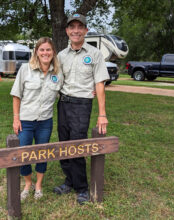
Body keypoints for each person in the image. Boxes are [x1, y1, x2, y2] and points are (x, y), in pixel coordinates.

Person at [53, 13, 109, 205]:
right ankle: (69, 181)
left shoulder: (95, 54)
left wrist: (102, 114)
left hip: (82, 105)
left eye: (80, 27)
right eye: (72, 27)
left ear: (85, 30)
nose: (76, 30)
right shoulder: (60, 56)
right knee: (63, 144)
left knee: (76, 145)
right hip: (63, 103)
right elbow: (55, 81)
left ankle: (82, 188)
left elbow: (100, 84)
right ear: (67, 31)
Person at [10, 37, 63, 201]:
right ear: (37, 52)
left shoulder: (58, 73)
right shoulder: (25, 69)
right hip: (26, 120)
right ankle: (27, 183)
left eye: (48, 49)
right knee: (24, 153)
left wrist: (90, 91)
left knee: (42, 153)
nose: (45, 53)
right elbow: (16, 95)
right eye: (42, 50)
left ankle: (38, 185)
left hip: (45, 122)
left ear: (53, 52)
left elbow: (67, 90)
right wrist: (16, 118)